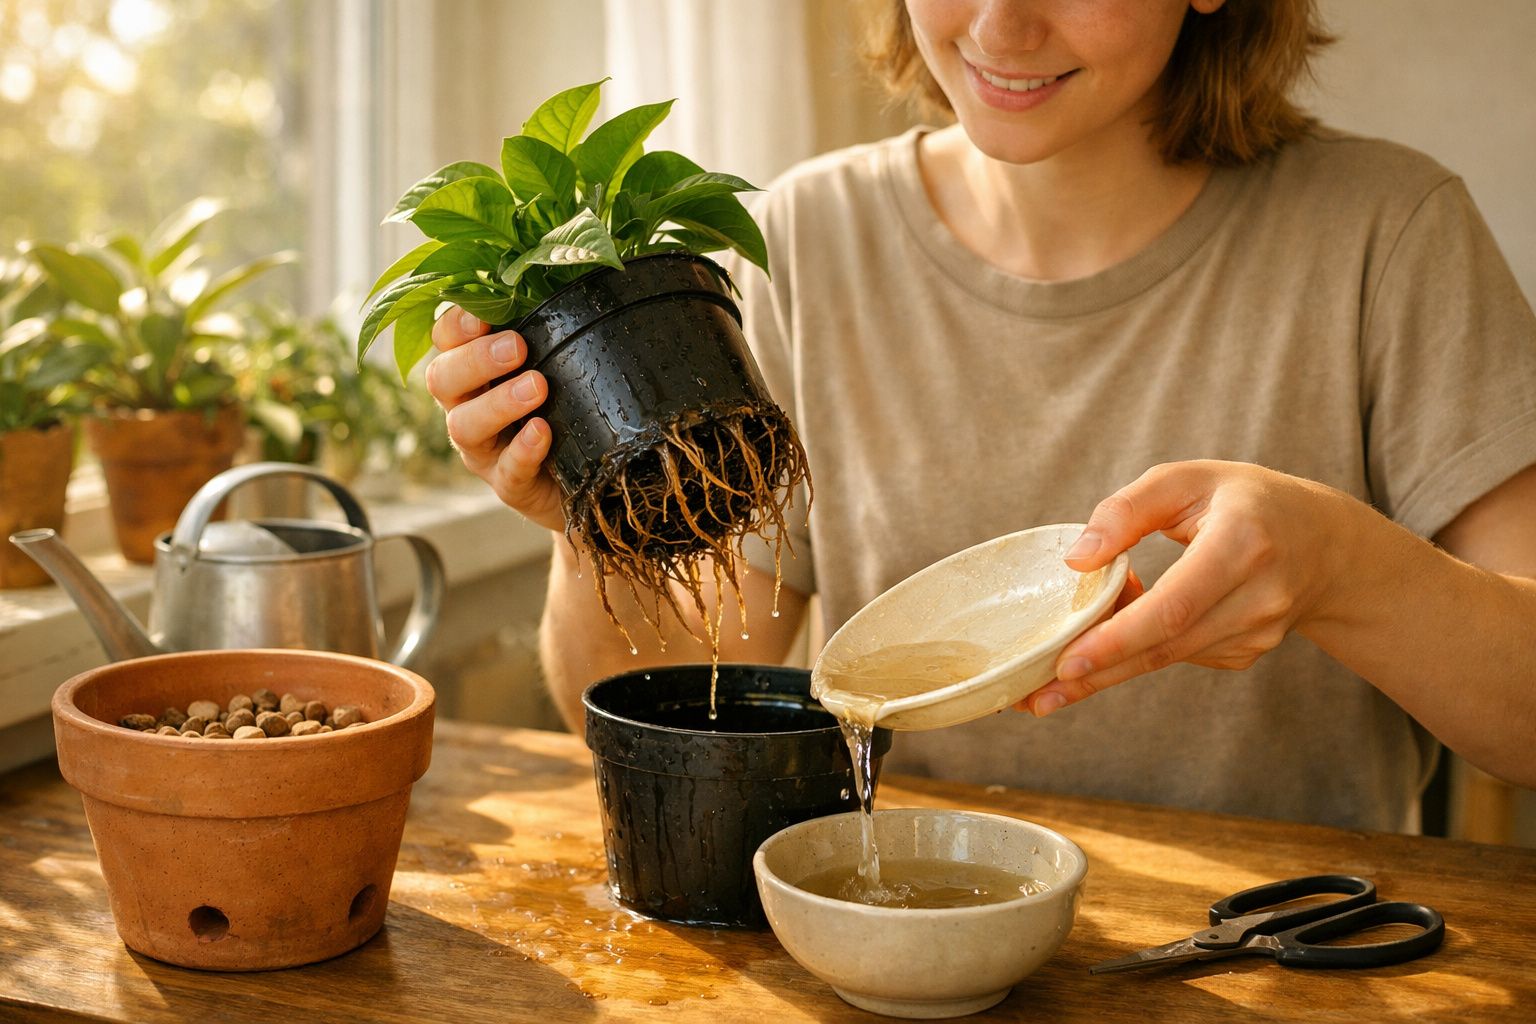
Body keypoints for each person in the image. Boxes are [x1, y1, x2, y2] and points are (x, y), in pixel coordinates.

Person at [424, 0, 1536, 833]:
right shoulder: (807, 236)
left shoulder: (1392, 233)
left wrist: (1338, 565)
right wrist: (595, 507)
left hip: (1283, 954)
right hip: (899, 931)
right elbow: (672, 699)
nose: (1002, 24)